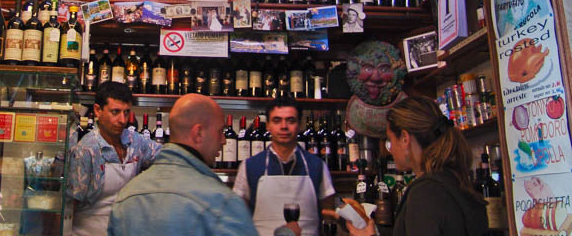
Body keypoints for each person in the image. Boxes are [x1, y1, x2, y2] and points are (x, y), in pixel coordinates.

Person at [108, 94, 301, 236]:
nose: (224, 141)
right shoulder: (220, 202)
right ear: (198, 133)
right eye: (220, 131)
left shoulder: (127, 196)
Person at [345, 96, 487, 236]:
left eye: (391, 140)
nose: (391, 149)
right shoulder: (458, 182)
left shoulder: (425, 193)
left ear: (405, 139)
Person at [67, 82, 162, 236]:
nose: (122, 120)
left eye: (126, 112)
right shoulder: (86, 150)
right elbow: (70, 206)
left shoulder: (135, 142)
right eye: (115, 112)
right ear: (98, 110)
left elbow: (165, 156)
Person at [233, 97, 335, 236]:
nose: (284, 126)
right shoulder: (249, 166)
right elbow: (238, 217)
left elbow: (329, 214)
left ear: (299, 125)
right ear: (268, 125)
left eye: (290, 120)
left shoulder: (317, 166)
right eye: (277, 120)